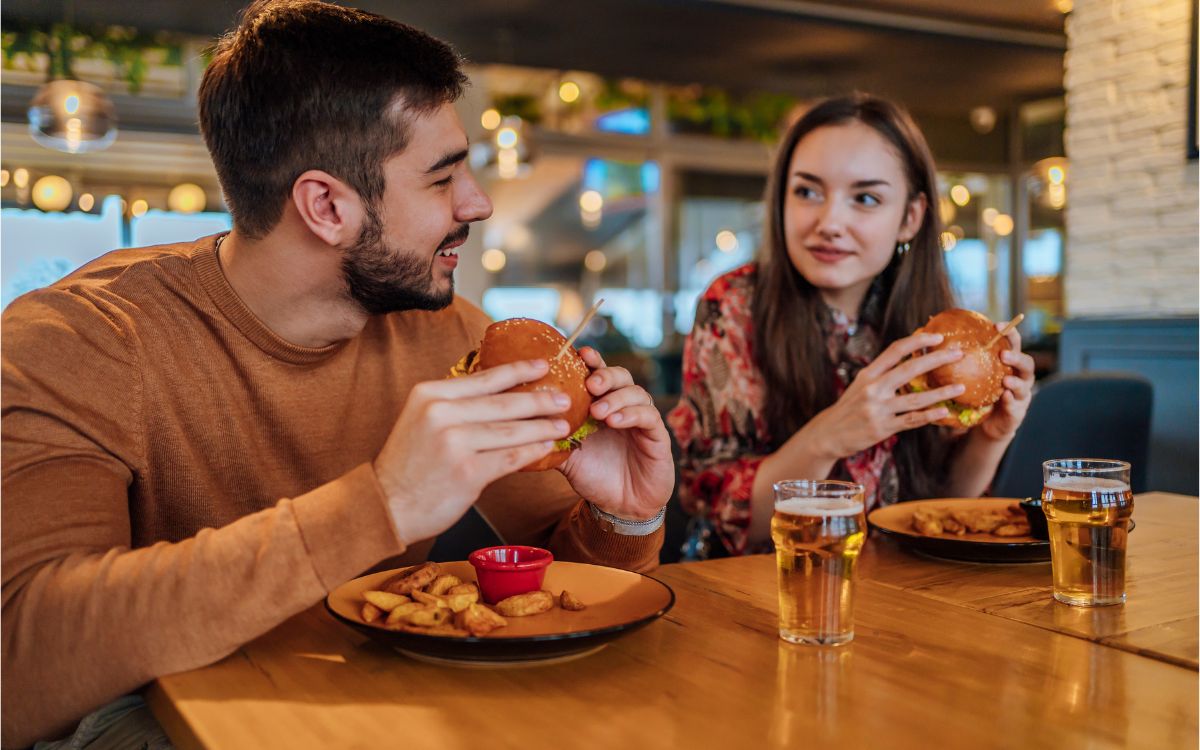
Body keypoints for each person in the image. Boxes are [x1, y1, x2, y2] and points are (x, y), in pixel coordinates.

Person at [0, 2, 674, 746]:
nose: (478, 204)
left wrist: (623, 516)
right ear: (325, 205)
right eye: (443, 179)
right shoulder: (84, 339)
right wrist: (381, 504)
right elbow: (21, 663)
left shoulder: (450, 333)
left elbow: (541, 602)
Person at [667, 94, 1035, 557]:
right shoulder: (733, 306)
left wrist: (991, 436)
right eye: (807, 192)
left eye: (864, 198)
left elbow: (936, 510)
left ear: (910, 218)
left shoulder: (931, 322)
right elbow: (728, 517)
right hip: (759, 583)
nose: (830, 222)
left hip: (900, 583)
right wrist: (831, 436)